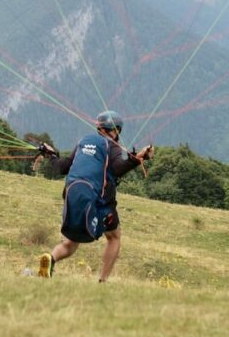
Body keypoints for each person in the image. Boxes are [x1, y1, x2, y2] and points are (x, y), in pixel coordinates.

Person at [37, 110, 153, 282]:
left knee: (71, 242)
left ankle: (51, 258)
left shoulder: (83, 142)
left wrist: (51, 155)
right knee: (114, 237)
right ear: (115, 130)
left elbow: (63, 167)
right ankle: (102, 281)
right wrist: (138, 158)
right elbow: (117, 169)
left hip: (72, 195)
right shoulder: (111, 145)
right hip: (100, 200)